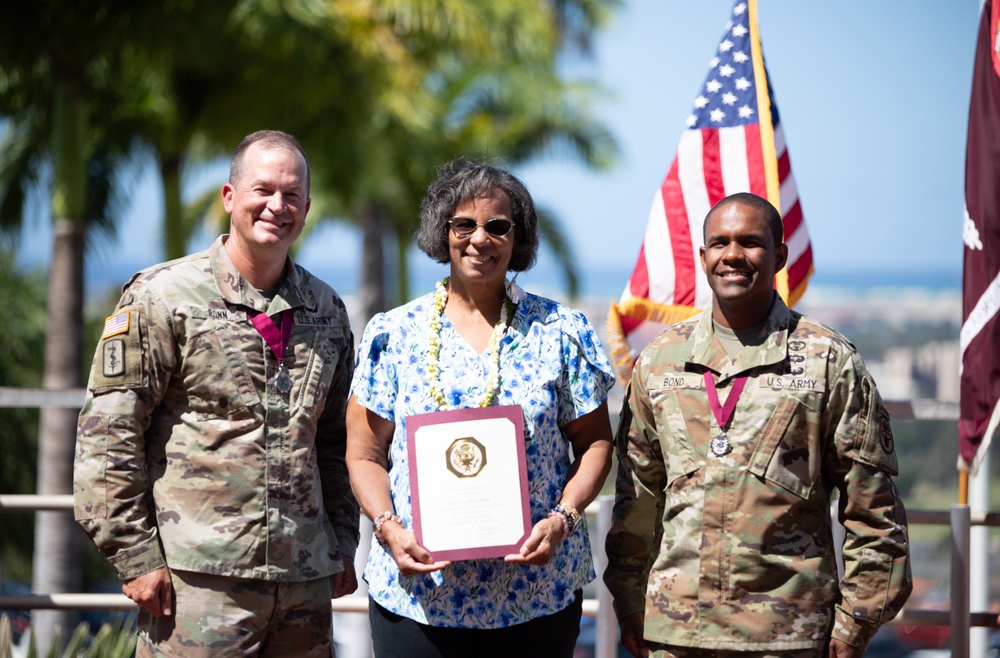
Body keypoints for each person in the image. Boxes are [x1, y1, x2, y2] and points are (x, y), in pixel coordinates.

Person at [74, 130, 359, 656]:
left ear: (308, 207)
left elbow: (337, 442)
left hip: (303, 581)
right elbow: (108, 440)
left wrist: (341, 544)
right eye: (263, 190)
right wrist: (136, 558)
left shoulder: (326, 309)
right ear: (229, 198)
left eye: (292, 194)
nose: (278, 205)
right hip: (198, 583)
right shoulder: (163, 297)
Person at [604, 192, 912, 658]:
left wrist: (855, 624)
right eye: (720, 243)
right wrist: (629, 601)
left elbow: (874, 512)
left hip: (790, 635)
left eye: (750, 242)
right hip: (674, 634)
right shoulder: (660, 361)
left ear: (780, 255)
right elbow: (637, 498)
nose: (733, 255)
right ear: (703, 256)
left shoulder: (828, 361)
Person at [346, 158, 616, 658]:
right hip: (418, 604)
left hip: (537, 601)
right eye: (463, 224)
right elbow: (363, 454)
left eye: (497, 226)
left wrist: (563, 518)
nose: (479, 238)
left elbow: (597, 442)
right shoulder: (395, 333)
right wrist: (387, 529)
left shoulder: (560, 331)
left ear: (518, 239)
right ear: (441, 231)